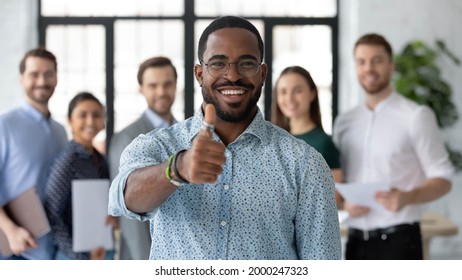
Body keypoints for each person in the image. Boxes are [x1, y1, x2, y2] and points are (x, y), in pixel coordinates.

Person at [108, 16, 341, 260]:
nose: (232, 76)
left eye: (247, 64)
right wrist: (178, 168)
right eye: (218, 63)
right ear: (199, 73)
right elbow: (124, 197)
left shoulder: (304, 163)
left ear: (262, 73)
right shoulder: (158, 145)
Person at [333, 33, 454, 260]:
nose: (369, 68)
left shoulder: (416, 116)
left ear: (391, 66)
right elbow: (341, 180)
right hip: (355, 241)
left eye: (377, 60)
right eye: (361, 61)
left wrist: (408, 197)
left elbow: (444, 179)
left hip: (400, 242)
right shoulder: (344, 122)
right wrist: (345, 202)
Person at [0, 48, 68, 260]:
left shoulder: (60, 131)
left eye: (48, 74)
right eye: (34, 74)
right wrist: (11, 230)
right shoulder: (5, 125)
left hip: (54, 249)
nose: (42, 80)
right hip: (16, 248)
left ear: (56, 78)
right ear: (21, 79)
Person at [108, 56, 178, 260]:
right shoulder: (127, 138)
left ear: (176, 85)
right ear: (141, 89)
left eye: (167, 84)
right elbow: (128, 214)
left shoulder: (188, 134)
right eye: (153, 85)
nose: (161, 92)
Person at [45, 92, 116, 260]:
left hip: (101, 249)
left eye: (96, 115)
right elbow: (52, 216)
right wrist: (81, 256)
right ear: (70, 120)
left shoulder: (101, 158)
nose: (90, 121)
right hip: (73, 258)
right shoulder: (68, 162)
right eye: (83, 115)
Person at [272, 66, 342, 206]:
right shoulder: (271, 141)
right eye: (283, 92)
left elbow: (336, 196)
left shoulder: (323, 143)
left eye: (297, 91)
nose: (290, 98)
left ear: (311, 94)